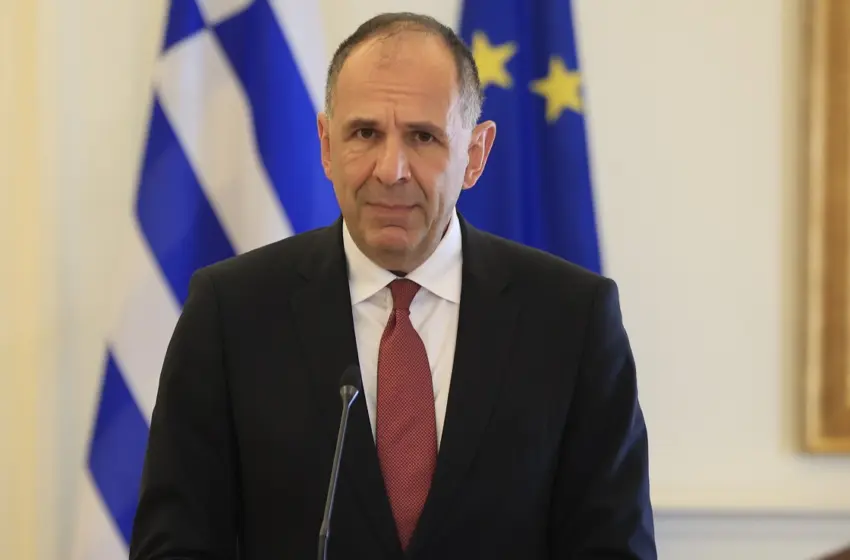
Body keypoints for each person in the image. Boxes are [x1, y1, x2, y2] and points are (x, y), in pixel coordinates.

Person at [129, 12, 656, 560]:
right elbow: (174, 547)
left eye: (423, 137)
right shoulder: (231, 314)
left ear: (475, 155)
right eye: (365, 134)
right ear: (326, 145)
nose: (391, 170)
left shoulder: (571, 319)